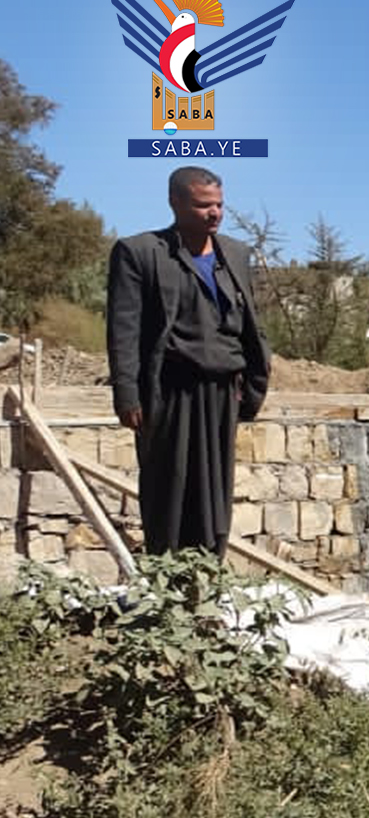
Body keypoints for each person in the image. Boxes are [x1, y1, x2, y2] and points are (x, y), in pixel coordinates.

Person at [106, 166, 272, 557]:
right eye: (202, 205)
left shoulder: (235, 254)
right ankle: (168, 583)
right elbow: (123, 330)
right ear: (175, 203)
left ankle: (207, 582)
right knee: (170, 490)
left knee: (214, 495)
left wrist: (253, 387)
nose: (214, 213)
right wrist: (127, 394)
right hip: (168, 393)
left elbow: (250, 326)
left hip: (221, 394)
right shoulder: (140, 253)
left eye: (219, 204)